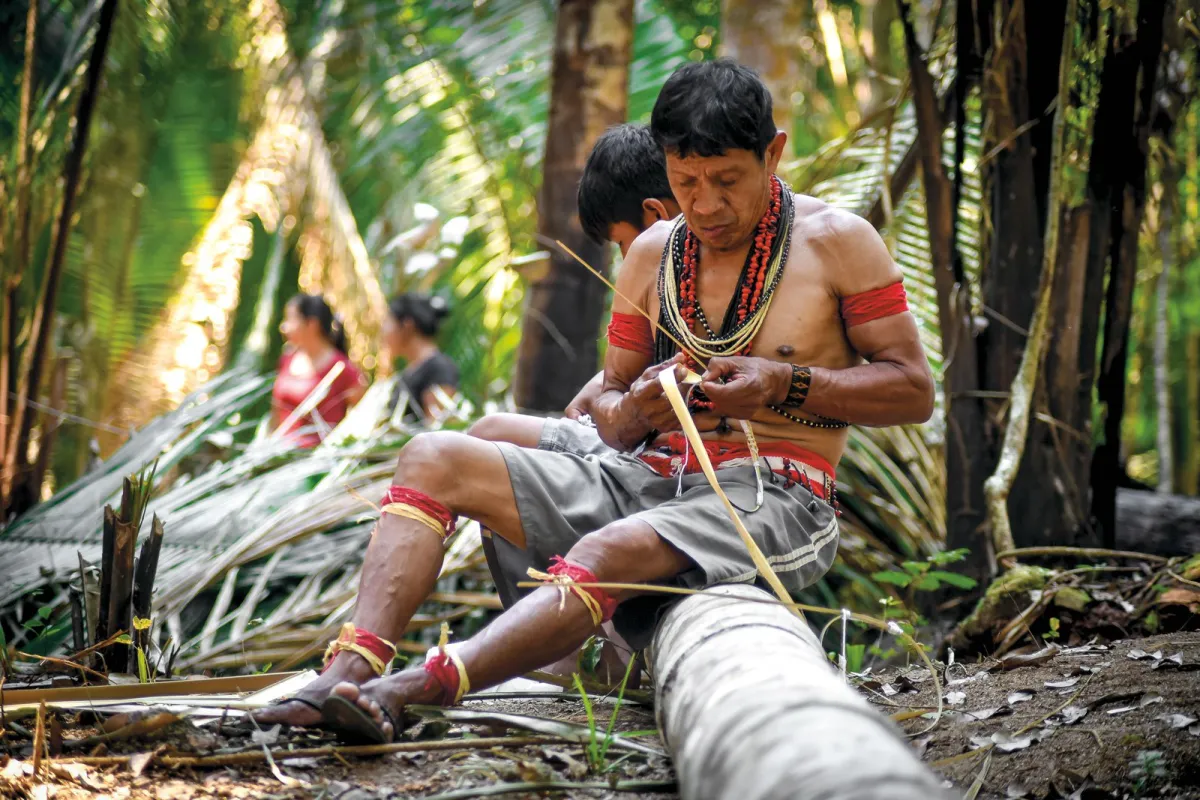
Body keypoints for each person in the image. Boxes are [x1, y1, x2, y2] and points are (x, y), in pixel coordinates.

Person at [256, 60, 934, 743]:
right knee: (432, 456)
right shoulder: (652, 253)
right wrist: (638, 411)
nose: (704, 205)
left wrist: (783, 384)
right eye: (686, 181)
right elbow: (607, 404)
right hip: (647, 475)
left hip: (776, 494)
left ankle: (414, 689)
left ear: (774, 153)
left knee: (608, 549)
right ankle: (345, 673)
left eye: (727, 179)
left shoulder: (838, 242)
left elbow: (912, 390)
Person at [273, 294, 367, 448]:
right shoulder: (287, 360)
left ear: (312, 324)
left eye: (291, 319)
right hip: (279, 454)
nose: (284, 327)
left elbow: (364, 420)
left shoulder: (342, 370)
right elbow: (276, 414)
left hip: (320, 459)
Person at [385, 292, 460, 422]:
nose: (384, 331)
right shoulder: (409, 371)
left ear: (407, 325)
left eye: (388, 323)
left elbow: (438, 425)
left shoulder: (438, 368)